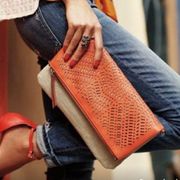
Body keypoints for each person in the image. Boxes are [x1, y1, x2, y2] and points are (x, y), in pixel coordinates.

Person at [1, 0, 180, 179]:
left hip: (56, 13)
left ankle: (38, 143)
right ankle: (30, 143)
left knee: (72, 169)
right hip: (59, 11)